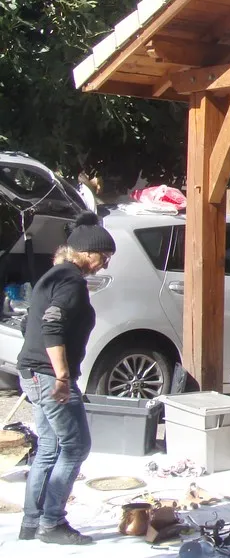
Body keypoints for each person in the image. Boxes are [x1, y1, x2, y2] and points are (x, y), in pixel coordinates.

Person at [16, 211, 115, 546]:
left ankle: (32, 522)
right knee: (75, 447)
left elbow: (35, 320)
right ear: (87, 253)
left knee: (48, 447)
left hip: (30, 371)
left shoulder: (53, 275)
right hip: (49, 376)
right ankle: (52, 522)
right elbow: (52, 326)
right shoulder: (71, 281)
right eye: (104, 257)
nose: (105, 264)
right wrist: (61, 376)